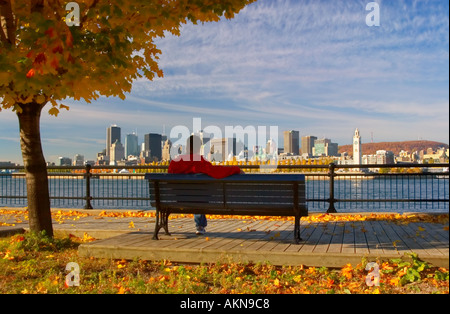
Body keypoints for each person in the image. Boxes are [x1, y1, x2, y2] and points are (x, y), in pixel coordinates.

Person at [168, 135, 243, 235]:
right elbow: (217, 172)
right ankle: (200, 226)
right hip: (198, 199)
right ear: (199, 148)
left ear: (186, 147)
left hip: (178, 199)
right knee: (198, 194)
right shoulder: (200, 161)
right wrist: (236, 169)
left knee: (195, 193)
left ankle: (199, 224)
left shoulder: (174, 162)